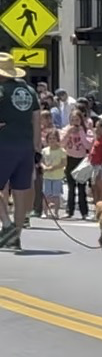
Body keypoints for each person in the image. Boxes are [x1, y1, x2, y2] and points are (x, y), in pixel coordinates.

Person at [0, 53, 40, 251]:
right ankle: (16, 235)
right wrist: (37, 149)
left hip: (4, 143)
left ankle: (6, 225)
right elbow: (37, 121)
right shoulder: (30, 91)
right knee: (20, 192)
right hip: (25, 146)